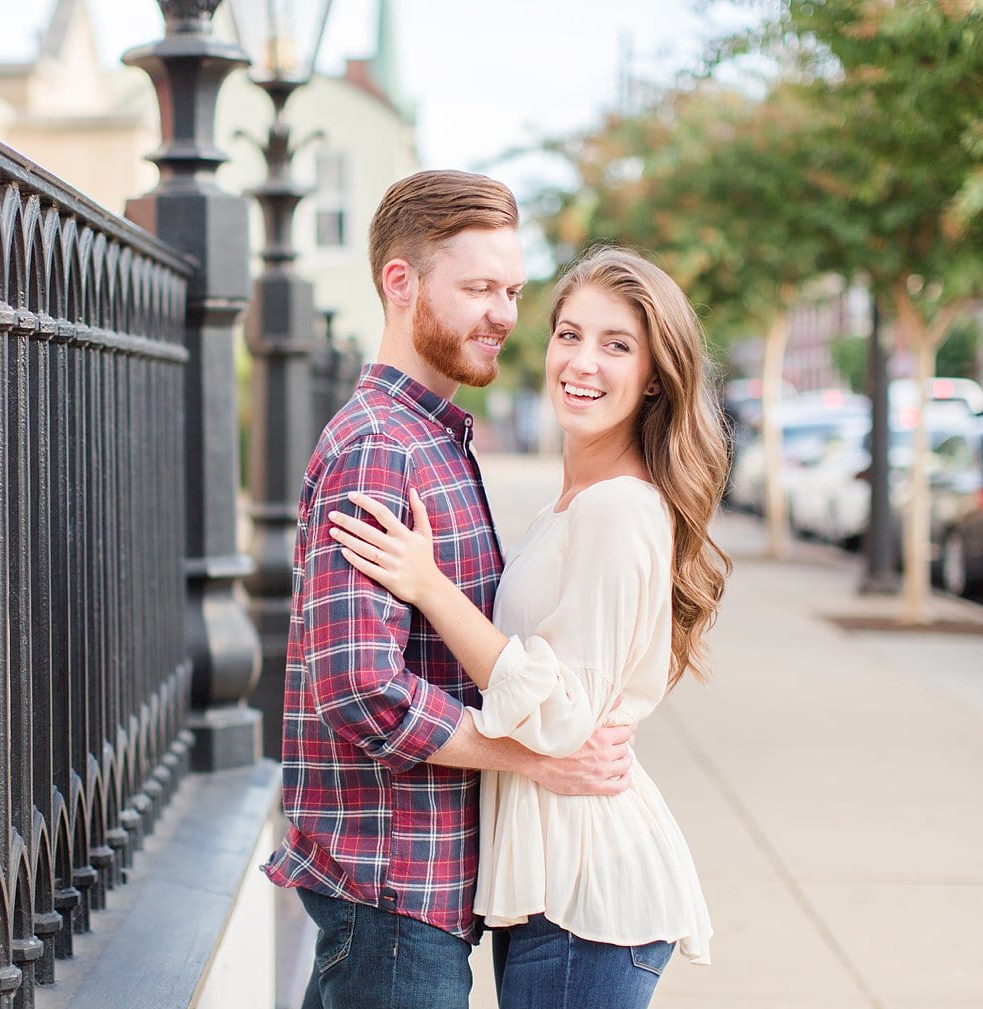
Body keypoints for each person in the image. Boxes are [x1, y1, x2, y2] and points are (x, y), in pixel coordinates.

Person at [260, 172, 638, 1009]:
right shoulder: (379, 447)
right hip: (393, 886)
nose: (503, 313)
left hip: (420, 887)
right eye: (477, 288)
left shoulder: (435, 435)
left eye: (510, 288)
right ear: (401, 284)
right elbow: (358, 687)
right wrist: (537, 757)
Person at [328, 246, 731, 1008]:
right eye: (568, 334)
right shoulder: (570, 507)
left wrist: (428, 585)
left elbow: (563, 719)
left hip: (589, 890)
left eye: (616, 344)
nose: (581, 362)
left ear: (653, 376)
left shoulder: (617, 509)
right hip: (555, 884)